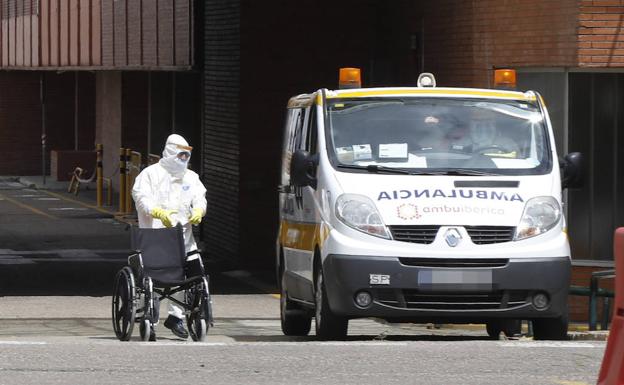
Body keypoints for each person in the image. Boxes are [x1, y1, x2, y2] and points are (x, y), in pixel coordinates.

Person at [132, 134, 207, 339]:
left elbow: (200, 197)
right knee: (153, 277)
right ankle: (150, 314)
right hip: (155, 239)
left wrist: (199, 210)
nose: (183, 159)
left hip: (183, 240)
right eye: (180, 155)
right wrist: (157, 212)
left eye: (186, 156)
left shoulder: (191, 178)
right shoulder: (150, 175)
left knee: (190, 275)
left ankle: (177, 316)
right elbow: (141, 198)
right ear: (171, 152)